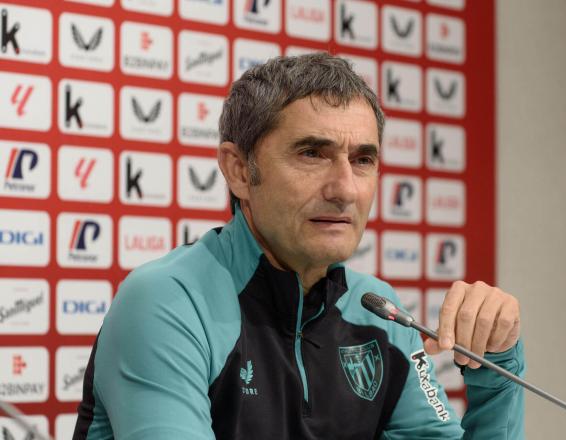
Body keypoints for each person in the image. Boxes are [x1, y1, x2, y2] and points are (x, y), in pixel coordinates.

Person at [73, 53, 524, 439]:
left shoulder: (378, 310)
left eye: (363, 159)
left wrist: (495, 367)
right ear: (237, 170)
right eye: (312, 153)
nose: (345, 189)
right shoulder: (169, 300)